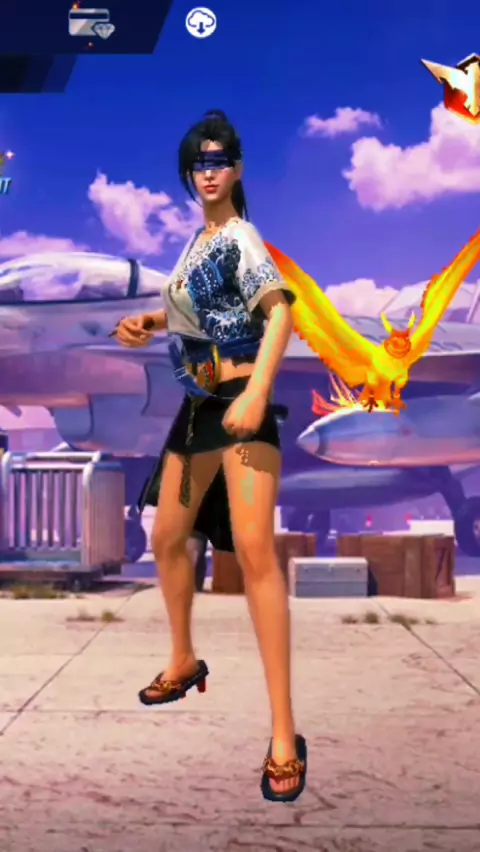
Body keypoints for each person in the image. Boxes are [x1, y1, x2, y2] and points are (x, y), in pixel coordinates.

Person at [114, 109, 307, 803]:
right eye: (199, 162)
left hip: (240, 403)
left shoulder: (242, 237)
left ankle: (283, 735)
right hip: (197, 408)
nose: (208, 172)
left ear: (238, 169)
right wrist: (151, 321)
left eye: (219, 161)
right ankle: (184, 659)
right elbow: (195, 312)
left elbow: (280, 312)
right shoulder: (198, 243)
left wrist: (256, 393)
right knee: (167, 538)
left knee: (254, 555)